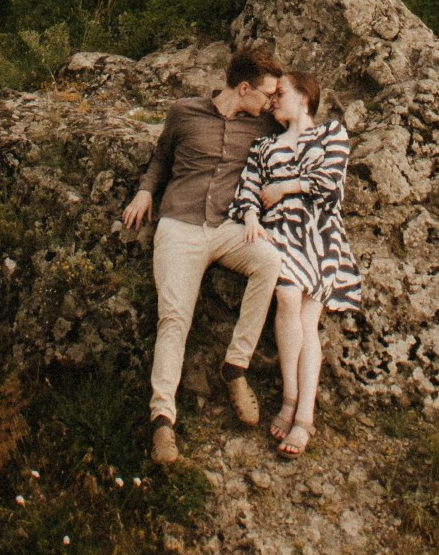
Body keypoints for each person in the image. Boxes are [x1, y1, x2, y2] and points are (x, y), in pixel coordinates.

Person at [122, 45, 284, 465]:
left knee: (269, 263)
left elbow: (302, 124)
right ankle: (162, 419)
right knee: (174, 317)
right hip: (180, 225)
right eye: (266, 93)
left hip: (229, 227)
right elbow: (161, 157)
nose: (270, 102)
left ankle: (235, 366)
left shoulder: (263, 126)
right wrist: (144, 190)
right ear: (243, 87)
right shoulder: (185, 112)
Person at [228, 66, 361, 457]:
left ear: (304, 97)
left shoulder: (332, 134)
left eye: (280, 93)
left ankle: (301, 414)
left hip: (320, 234)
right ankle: (292, 401)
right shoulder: (264, 147)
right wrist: (251, 216)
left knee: (307, 318)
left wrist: (286, 185)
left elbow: (331, 182)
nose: (273, 102)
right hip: (280, 233)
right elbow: (246, 191)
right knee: (288, 299)